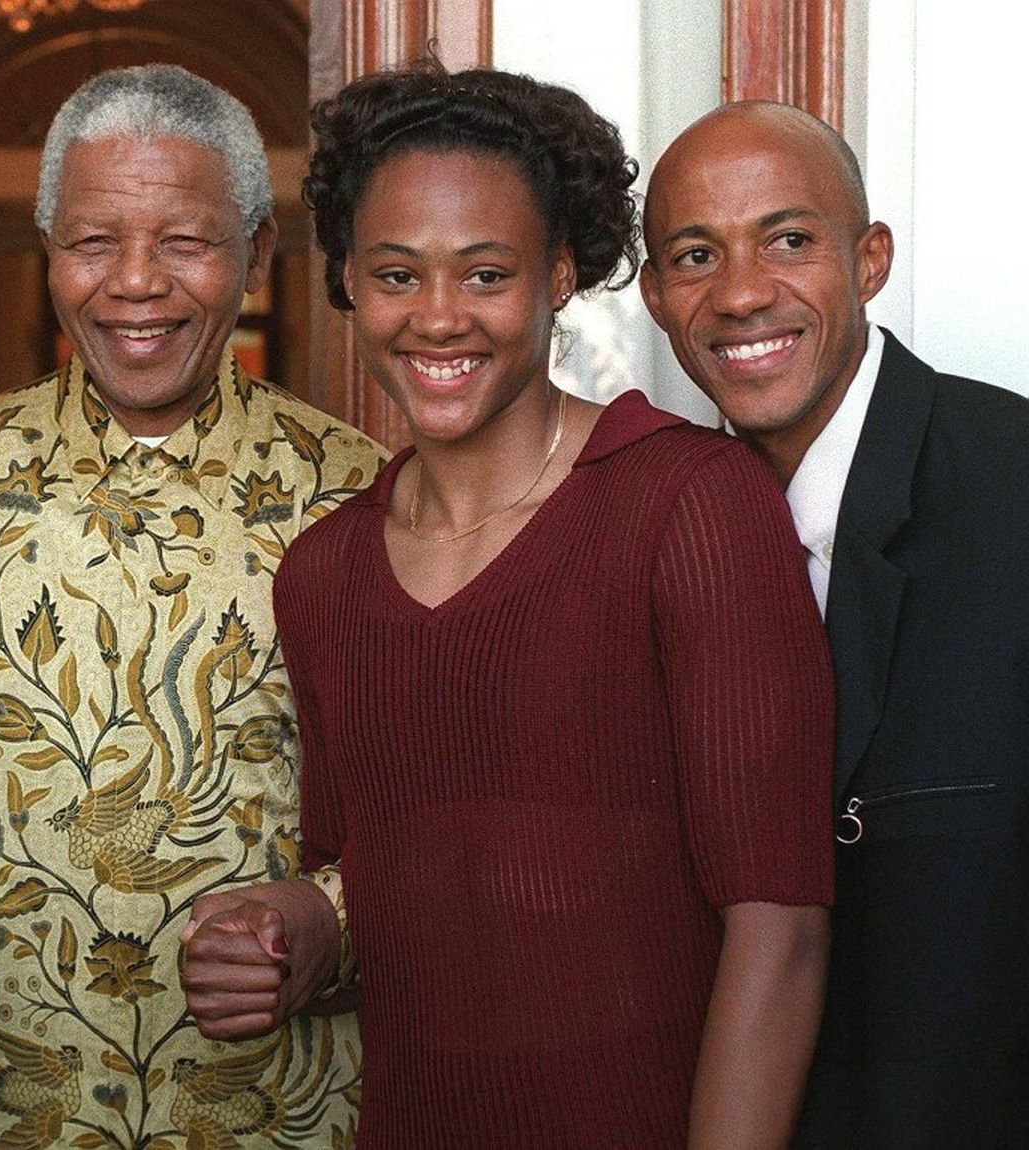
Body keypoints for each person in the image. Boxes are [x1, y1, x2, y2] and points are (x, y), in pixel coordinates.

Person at [180, 63, 836, 1148]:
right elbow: (374, 893)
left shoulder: (689, 504)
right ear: (347, 281)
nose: (438, 318)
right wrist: (282, 930)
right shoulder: (324, 576)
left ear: (560, 273)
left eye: (485, 274)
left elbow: (781, 930)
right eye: (397, 274)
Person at [0, 64, 384, 1150]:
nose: (136, 283)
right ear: (49, 251)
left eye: (184, 241)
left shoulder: (360, 495)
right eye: (94, 242)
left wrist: (327, 923)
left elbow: (422, 821)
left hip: (284, 1115)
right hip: (3, 1114)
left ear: (258, 256)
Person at [640, 100, 1029, 1149]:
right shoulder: (654, 525)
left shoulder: (1012, 481)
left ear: (870, 260)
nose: (741, 293)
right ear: (655, 296)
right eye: (695, 255)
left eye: (788, 241)